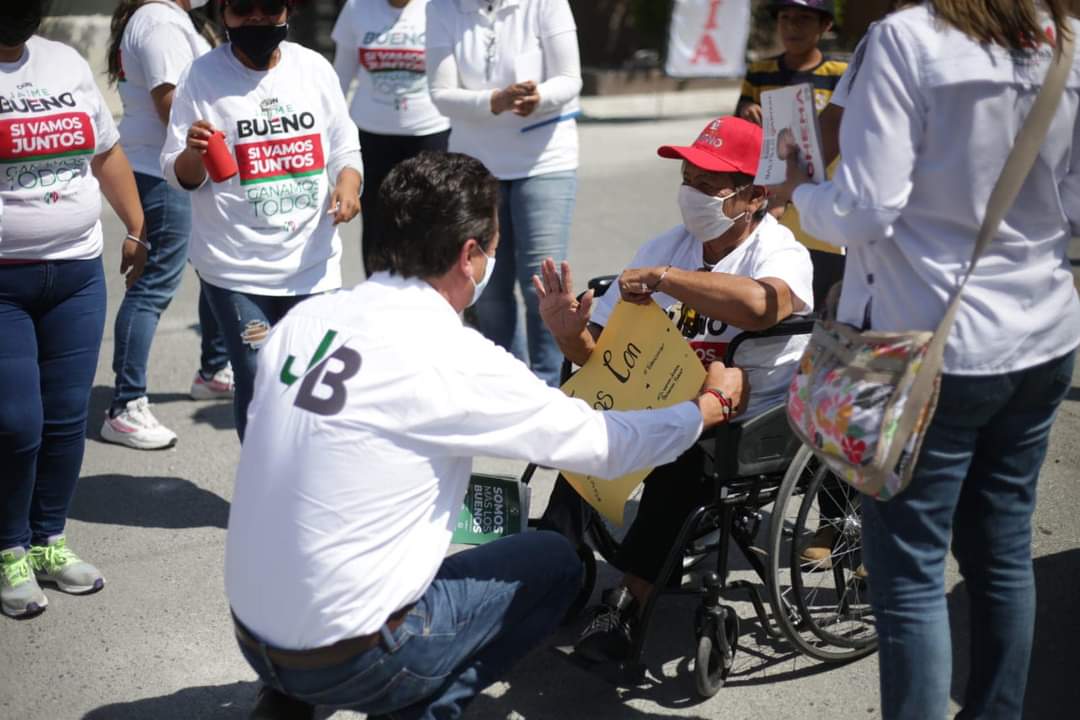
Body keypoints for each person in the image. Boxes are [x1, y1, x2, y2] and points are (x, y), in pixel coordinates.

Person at [223, 151, 748, 719]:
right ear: (469, 257)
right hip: (360, 653)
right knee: (553, 561)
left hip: (252, 634)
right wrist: (706, 408)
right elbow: (604, 445)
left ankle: (292, 698)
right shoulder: (446, 353)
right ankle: (415, 701)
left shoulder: (303, 322)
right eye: (494, 247)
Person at [771, 2, 1080, 717]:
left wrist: (799, 199)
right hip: (1042, 339)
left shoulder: (906, 39)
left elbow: (865, 207)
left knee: (910, 579)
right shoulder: (1063, 38)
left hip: (925, 348)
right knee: (1003, 554)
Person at [536, 116, 814, 663]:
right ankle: (553, 563)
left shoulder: (779, 251)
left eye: (707, 186)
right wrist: (570, 336)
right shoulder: (671, 244)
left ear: (753, 195)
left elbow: (763, 306)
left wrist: (666, 279)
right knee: (587, 423)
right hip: (661, 393)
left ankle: (628, 603)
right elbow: (601, 352)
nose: (691, 194)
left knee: (677, 449)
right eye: (687, 179)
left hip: (749, 414)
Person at [0, 2, 146, 618]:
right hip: (5, 280)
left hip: (78, 273)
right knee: (16, 422)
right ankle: (9, 548)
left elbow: (105, 152)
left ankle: (48, 541)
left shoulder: (63, 62)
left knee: (64, 419)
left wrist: (137, 225)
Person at [161, 0, 363, 441]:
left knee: (313, 388)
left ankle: (303, 488)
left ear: (288, 9)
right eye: (241, 9)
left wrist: (348, 184)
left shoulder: (313, 68)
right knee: (257, 381)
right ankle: (263, 496)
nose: (255, 19)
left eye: (268, 8)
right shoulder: (200, 76)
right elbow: (178, 177)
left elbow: (344, 145)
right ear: (223, 15)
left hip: (312, 265)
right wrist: (194, 155)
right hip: (235, 269)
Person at [425, 0, 582, 387]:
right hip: (475, 167)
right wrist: (493, 101)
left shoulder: (546, 3)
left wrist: (540, 97)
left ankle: (549, 385)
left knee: (541, 284)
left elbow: (570, 78)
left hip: (545, 161)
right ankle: (507, 385)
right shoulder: (442, 8)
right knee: (486, 286)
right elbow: (441, 92)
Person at [100, 0, 234, 452]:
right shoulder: (157, 20)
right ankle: (125, 406)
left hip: (173, 169)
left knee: (213, 267)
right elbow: (171, 104)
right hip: (161, 175)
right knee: (152, 288)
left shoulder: (169, 18)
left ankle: (214, 371)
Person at [331, 0, 450, 276]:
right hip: (372, 135)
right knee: (376, 224)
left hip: (429, 132)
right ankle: (377, 293)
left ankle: (427, 297)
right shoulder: (357, 8)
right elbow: (340, 78)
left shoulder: (439, 7)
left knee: (429, 223)